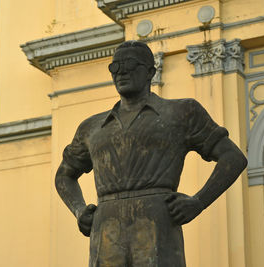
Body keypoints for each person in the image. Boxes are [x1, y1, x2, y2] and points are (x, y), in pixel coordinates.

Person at [55, 40, 247, 267]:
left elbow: (233, 158)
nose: (121, 72)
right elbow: (64, 175)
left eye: (129, 64)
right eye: (114, 67)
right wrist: (78, 210)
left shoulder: (181, 112)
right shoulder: (92, 127)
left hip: (157, 223)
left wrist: (198, 202)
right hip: (105, 229)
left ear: (150, 72)